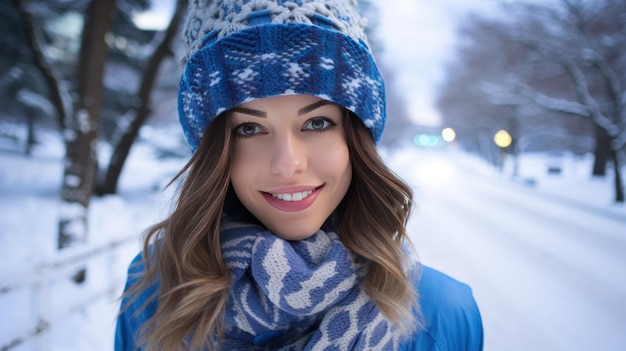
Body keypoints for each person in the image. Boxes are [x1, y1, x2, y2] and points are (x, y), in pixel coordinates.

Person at [115, 0, 484, 350]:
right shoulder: (157, 289)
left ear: (354, 138)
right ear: (216, 150)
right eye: (248, 129)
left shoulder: (442, 314)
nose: (288, 163)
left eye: (317, 122)